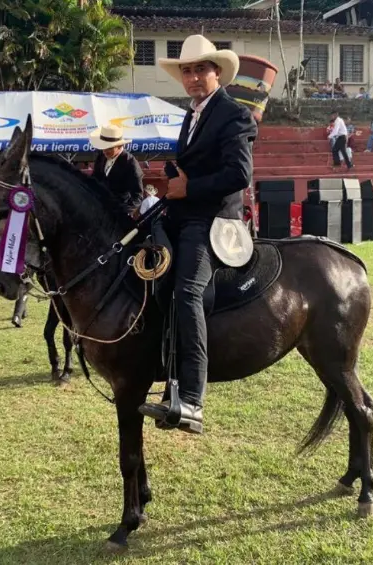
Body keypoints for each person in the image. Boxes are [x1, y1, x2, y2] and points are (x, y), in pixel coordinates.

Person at [138, 35, 257, 434]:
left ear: (217, 72)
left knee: (188, 291)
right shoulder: (191, 115)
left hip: (213, 219)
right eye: (186, 71)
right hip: (184, 213)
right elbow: (198, 165)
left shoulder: (234, 114)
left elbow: (239, 174)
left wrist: (189, 187)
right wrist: (175, 177)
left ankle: (192, 399)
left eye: (200, 70)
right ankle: (164, 376)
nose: (192, 77)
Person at [89, 125, 144, 216]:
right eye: (103, 147)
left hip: (118, 213)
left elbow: (137, 197)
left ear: (120, 146)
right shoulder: (101, 156)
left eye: (109, 148)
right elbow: (95, 179)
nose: (105, 151)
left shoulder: (131, 164)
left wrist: (122, 214)